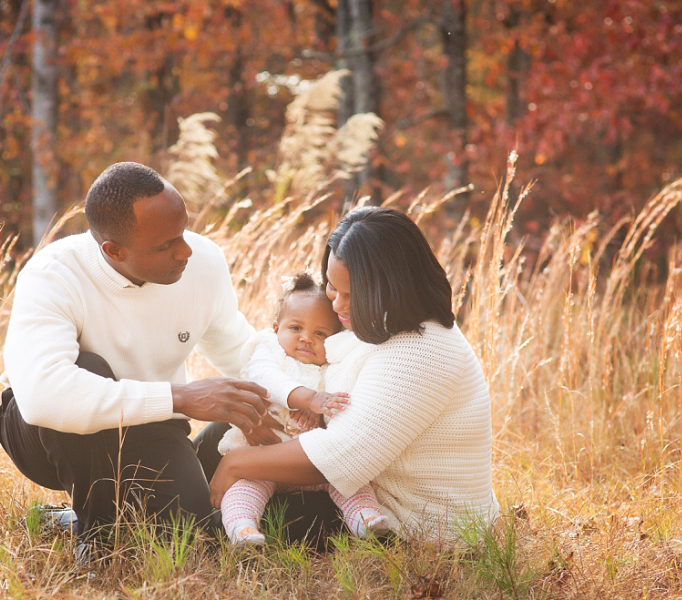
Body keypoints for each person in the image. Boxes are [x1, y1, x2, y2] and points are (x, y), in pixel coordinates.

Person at [0, 162, 277, 549]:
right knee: (86, 367)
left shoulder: (203, 262)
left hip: (151, 424)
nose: (185, 251)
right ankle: (96, 540)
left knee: (190, 534)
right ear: (113, 250)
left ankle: (67, 520)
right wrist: (182, 397)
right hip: (46, 435)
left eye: (183, 231)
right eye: (166, 245)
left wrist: (298, 397)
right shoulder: (53, 275)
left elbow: (239, 350)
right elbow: (45, 397)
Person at [208, 207, 499, 541]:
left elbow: (341, 456)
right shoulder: (380, 323)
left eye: (352, 294)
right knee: (228, 428)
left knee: (214, 522)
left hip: (406, 517)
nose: (336, 306)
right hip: (352, 483)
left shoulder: (421, 349)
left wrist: (237, 464)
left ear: (393, 285)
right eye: (332, 288)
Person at [217, 273, 391, 546]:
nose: (306, 339)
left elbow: (342, 407)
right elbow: (265, 379)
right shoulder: (269, 353)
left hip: (312, 466)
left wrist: (320, 412)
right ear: (276, 329)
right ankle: (243, 528)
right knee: (244, 489)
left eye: (320, 333)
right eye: (295, 328)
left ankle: (366, 520)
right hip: (263, 460)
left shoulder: (333, 366)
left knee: (349, 481)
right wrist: (308, 399)